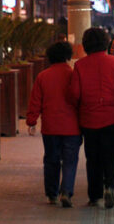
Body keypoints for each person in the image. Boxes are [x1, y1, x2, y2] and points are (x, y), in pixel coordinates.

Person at [69, 28, 114, 208]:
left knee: (93, 157)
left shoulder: (79, 65)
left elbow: (74, 93)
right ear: (106, 42)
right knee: (111, 155)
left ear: (85, 45)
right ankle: (109, 186)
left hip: (89, 118)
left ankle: (94, 195)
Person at [27, 41, 82, 208]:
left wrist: (32, 120)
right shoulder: (74, 74)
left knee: (51, 159)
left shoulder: (43, 76)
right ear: (68, 56)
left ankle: (52, 195)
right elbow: (80, 99)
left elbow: (35, 101)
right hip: (72, 126)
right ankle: (66, 191)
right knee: (70, 160)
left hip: (50, 127)